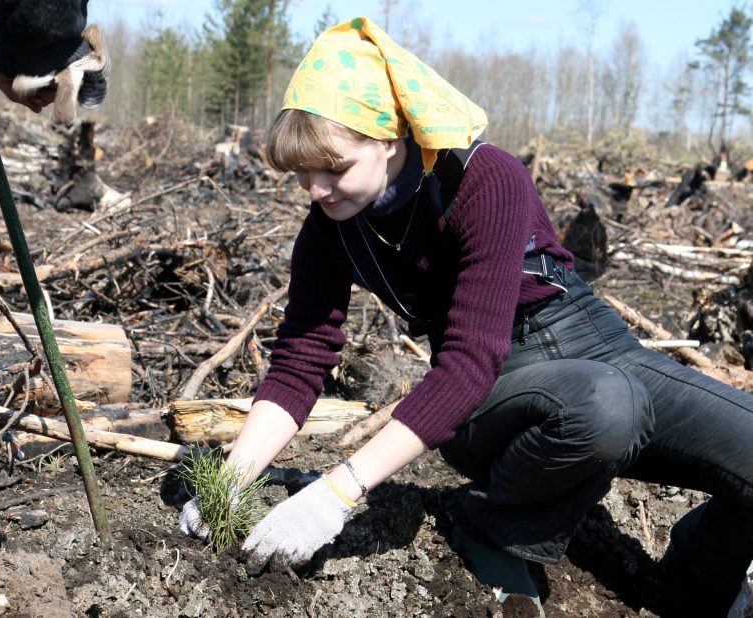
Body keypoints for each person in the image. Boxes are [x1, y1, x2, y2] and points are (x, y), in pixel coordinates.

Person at [174, 16, 753, 615]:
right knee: (606, 406)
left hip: (593, 337)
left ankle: (694, 580)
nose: (316, 191)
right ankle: (489, 523)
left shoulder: (485, 179)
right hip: (490, 388)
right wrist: (235, 478)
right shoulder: (329, 234)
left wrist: (334, 490)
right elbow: (304, 364)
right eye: (302, 175)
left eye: (335, 169)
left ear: (390, 140)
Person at [0, 1, 107, 121]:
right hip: (68, 37)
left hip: (25, 42)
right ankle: (72, 55)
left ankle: (65, 56)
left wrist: (8, 63)